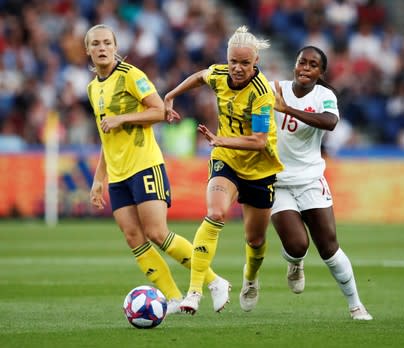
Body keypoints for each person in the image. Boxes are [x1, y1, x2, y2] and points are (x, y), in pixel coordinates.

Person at [84, 24, 230, 315]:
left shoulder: (130, 75)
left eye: (107, 43)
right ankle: (174, 297)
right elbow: (106, 136)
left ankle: (214, 282)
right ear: (87, 50)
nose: (102, 48)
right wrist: (99, 179)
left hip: (145, 165)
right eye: (95, 44)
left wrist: (122, 119)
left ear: (115, 46)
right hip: (119, 173)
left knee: (156, 232)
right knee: (133, 237)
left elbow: (160, 111)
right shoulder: (92, 88)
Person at [164, 26, 284, 314]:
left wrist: (220, 139)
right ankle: (194, 292)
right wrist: (171, 94)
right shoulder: (219, 75)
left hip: (259, 168)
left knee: (255, 239)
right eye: (233, 61)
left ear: (256, 62)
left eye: (244, 63)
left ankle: (250, 279)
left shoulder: (262, 93)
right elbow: (199, 76)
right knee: (215, 213)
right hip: (226, 159)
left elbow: (257, 142)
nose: (237, 68)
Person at [270, 46, 373, 320]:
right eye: (301, 62)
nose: (305, 68)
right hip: (278, 182)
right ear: (294, 65)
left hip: (311, 179)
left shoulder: (324, 95)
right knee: (297, 245)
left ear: (320, 72)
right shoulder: (274, 88)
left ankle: (355, 305)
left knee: (329, 247)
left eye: (312, 65)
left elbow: (329, 122)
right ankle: (295, 263)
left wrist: (287, 109)